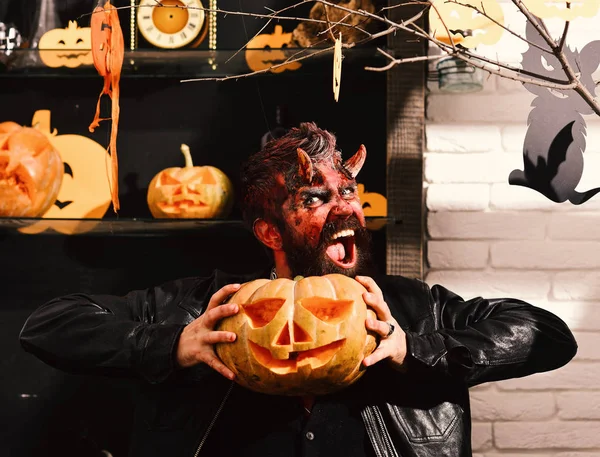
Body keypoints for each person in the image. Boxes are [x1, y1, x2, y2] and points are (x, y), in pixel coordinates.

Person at [19, 121, 577, 457]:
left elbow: (549, 336)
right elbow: (49, 325)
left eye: (350, 192)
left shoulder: (411, 309)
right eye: (314, 199)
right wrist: (171, 345)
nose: (345, 208)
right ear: (268, 231)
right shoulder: (204, 308)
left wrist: (416, 350)